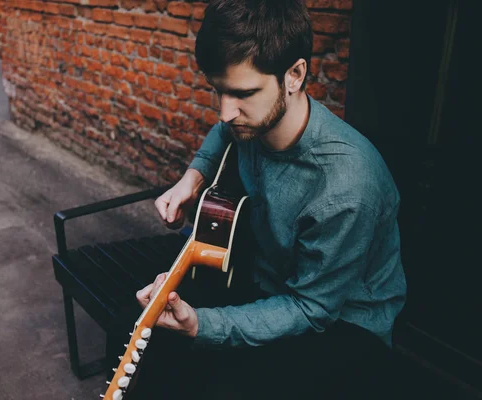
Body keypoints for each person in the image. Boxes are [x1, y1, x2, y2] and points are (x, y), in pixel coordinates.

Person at [106, 0, 407, 398]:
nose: (226, 112)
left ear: (295, 74)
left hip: (342, 322)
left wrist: (201, 324)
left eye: (242, 93)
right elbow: (223, 133)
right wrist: (192, 178)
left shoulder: (346, 188)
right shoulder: (252, 118)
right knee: (130, 324)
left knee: (218, 386)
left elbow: (311, 310)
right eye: (219, 91)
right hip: (262, 273)